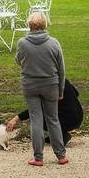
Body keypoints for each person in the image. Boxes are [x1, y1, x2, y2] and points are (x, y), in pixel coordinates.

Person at [14, 12, 67, 166]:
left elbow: (19, 60)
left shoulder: (22, 43)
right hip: (51, 85)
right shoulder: (54, 43)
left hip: (30, 85)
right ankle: (61, 155)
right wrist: (61, 90)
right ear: (45, 24)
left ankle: (38, 157)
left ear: (29, 25)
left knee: (36, 119)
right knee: (53, 119)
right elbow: (61, 69)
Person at [6, 78, 83, 146]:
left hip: (68, 120)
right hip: (79, 117)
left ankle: (60, 136)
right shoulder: (63, 80)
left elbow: (37, 108)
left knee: (37, 117)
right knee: (53, 112)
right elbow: (76, 93)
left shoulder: (49, 87)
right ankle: (58, 135)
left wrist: (16, 118)